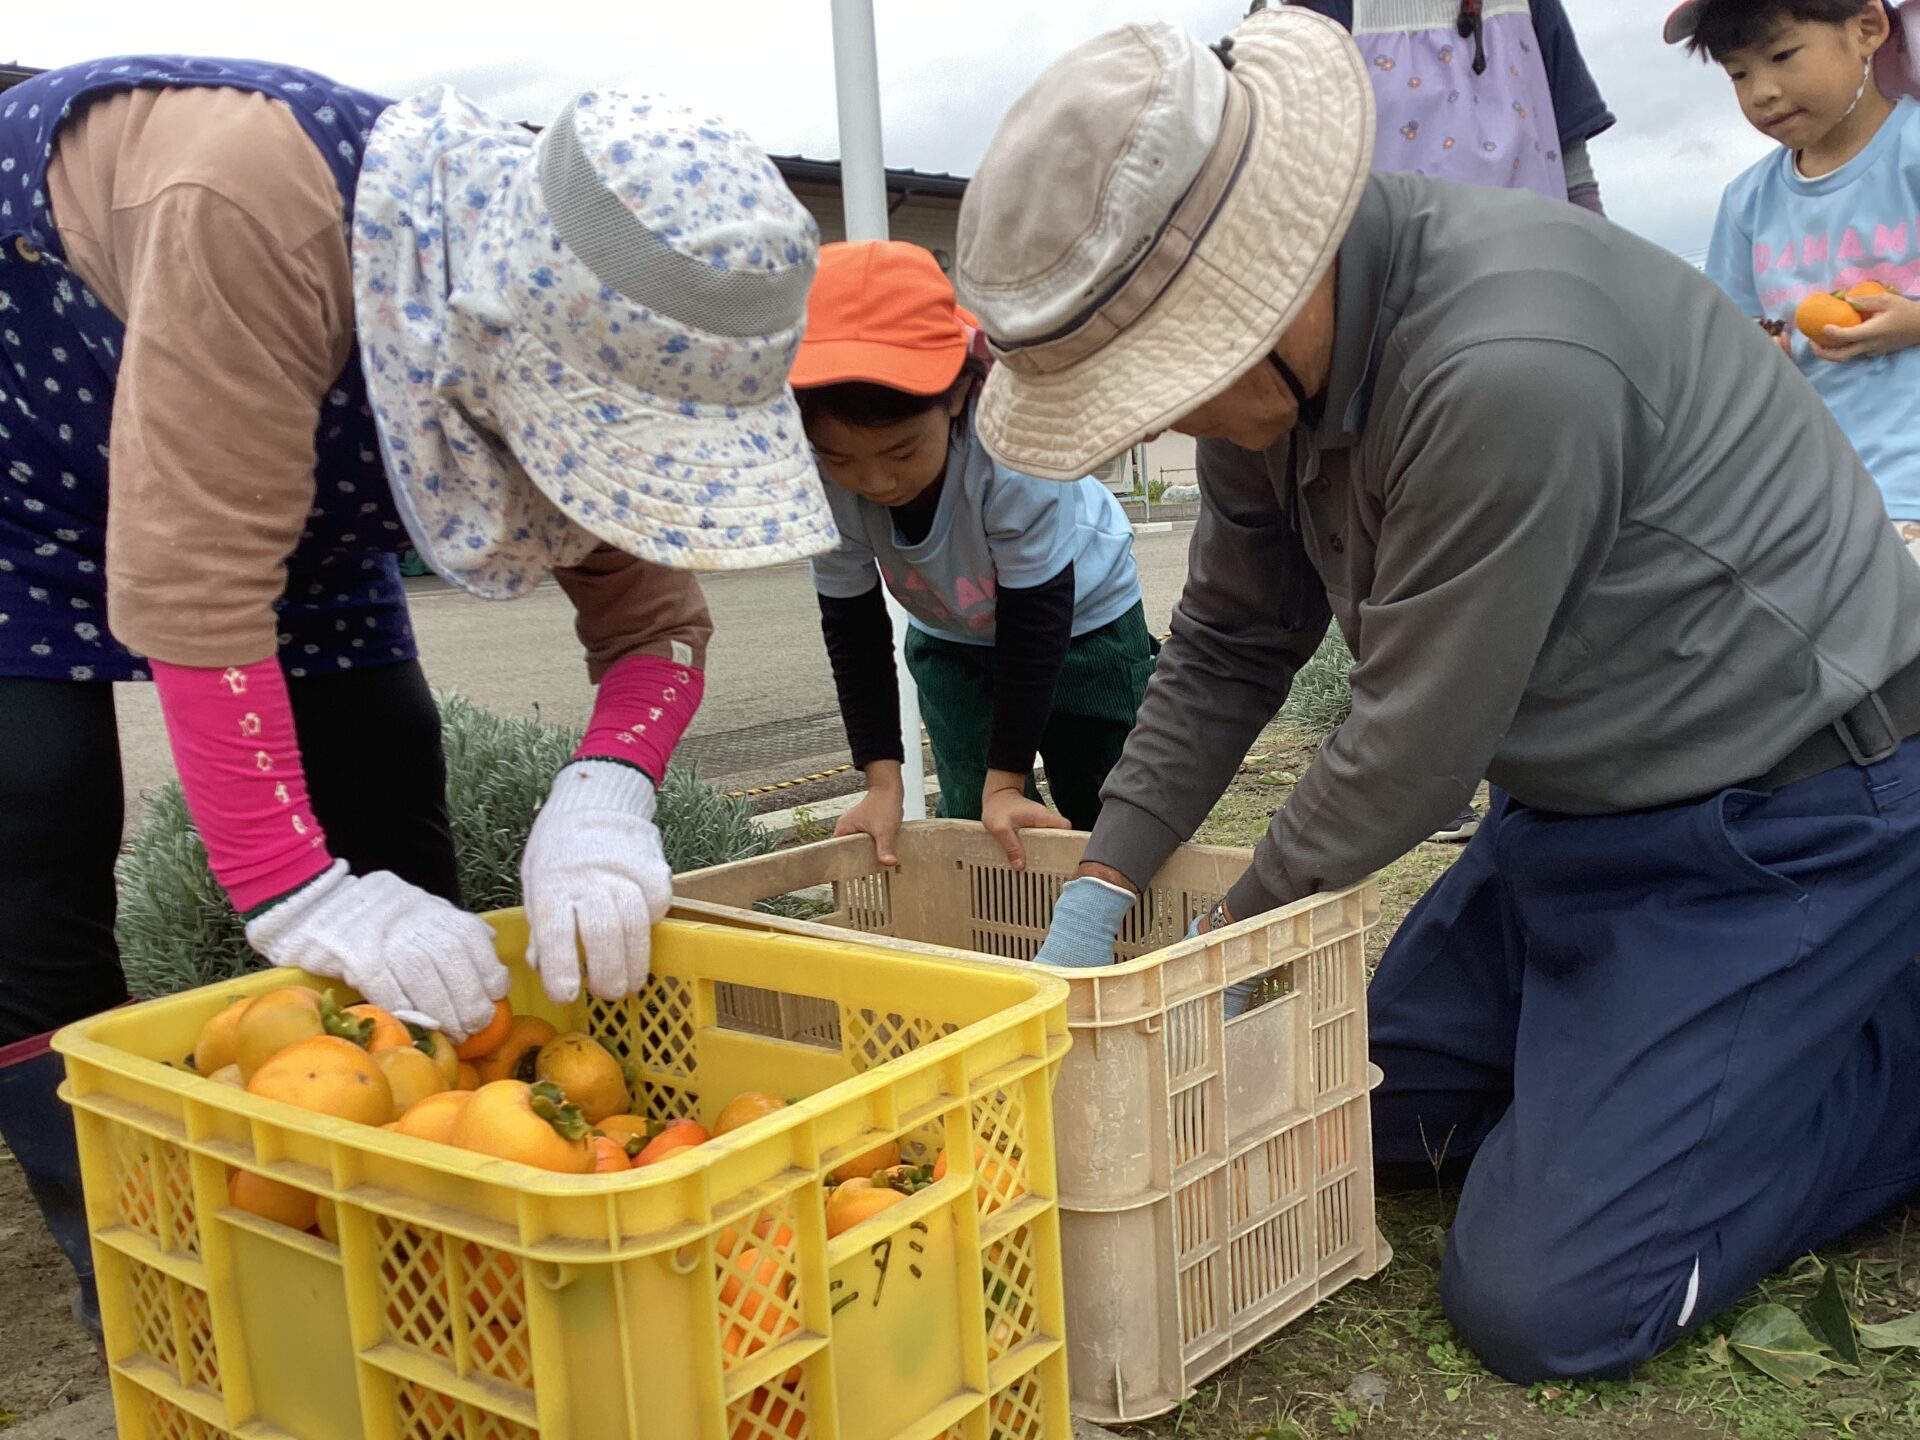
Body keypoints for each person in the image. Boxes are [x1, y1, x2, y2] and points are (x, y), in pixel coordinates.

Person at [951, 8, 1920, 1381]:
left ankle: (1867, 1043)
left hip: (1786, 821)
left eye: (1161, 384)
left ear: (1259, 290)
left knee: (1549, 1301)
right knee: (1348, 1116)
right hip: (1573, 817)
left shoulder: (1506, 368)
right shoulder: (1271, 380)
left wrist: (1215, 959)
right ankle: (1662, 1064)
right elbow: (1231, 637)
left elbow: (1411, 745)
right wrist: (1103, 884)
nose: (1164, 419)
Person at [0, 56, 834, 1334]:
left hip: (298, 478)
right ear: (497, 350)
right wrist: (294, 890)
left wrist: (607, 792)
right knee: (34, 803)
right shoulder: (250, 203)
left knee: (385, 763)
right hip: (32, 439)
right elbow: (201, 589)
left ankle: (415, 1223)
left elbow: (656, 625)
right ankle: (144, 1279)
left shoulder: (603, 319)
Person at [1280, 0, 1617, 842]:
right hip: (1380, 345)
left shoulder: (1525, 8)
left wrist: (1601, 286)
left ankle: (1534, 803)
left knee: (1545, 599)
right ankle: (1457, 784)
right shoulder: (1316, 12)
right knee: (1418, 599)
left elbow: (1572, 160)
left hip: (1532, 326)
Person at [791, 241, 1155, 870]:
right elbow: (853, 629)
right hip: (951, 631)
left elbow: (1036, 622)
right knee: (971, 812)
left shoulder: (1014, 447)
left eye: (902, 452)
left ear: (958, 394)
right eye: (841, 459)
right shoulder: (817, 481)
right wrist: (882, 783)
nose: (875, 482)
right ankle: (1008, 925)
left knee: (1105, 797)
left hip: (1082, 621)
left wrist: (1007, 783)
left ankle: (1121, 918)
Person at [1675, 0, 1920, 561]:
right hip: (1811, 498)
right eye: (1739, 74)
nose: (1761, 92)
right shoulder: (1748, 201)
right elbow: (1731, 342)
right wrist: (1761, 355)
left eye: (1782, 55)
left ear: (1867, 29)